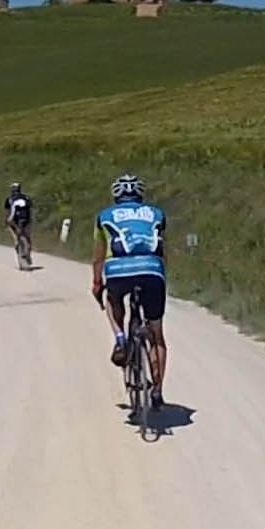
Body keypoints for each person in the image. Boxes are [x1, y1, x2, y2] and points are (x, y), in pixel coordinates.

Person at [91, 173, 167, 409]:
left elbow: (99, 255)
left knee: (113, 302)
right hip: (152, 270)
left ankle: (121, 339)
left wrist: (96, 284)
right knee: (157, 335)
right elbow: (163, 250)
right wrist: (161, 275)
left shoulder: (104, 216)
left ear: (116, 195)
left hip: (118, 271)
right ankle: (157, 391)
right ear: (140, 194)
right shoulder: (156, 213)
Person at [4, 181, 33, 264]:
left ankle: (16, 241)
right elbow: (30, 208)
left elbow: (8, 211)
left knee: (10, 228)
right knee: (27, 237)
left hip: (15, 219)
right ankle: (28, 254)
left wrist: (6, 221)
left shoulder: (9, 199)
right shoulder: (26, 197)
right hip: (26, 219)